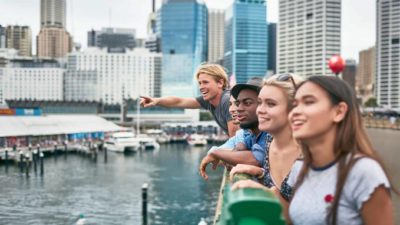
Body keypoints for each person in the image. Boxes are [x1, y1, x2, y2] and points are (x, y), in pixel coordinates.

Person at [233, 76, 396, 225]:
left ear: (339, 112)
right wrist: (260, 192)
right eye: (295, 104)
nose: (295, 111)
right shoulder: (300, 167)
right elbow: (291, 218)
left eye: (308, 102)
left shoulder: (363, 172)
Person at [229, 74, 303, 203]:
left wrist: (266, 193)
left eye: (271, 104)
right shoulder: (270, 140)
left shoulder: (308, 154)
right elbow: (281, 191)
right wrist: (261, 174)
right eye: (259, 103)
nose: (260, 110)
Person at [199, 77, 269, 180]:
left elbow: (256, 158)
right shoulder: (249, 133)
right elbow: (239, 146)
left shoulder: (270, 133)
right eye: (237, 103)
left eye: (248, 103)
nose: (238, 109)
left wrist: (216, 153)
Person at [140, 63, 238, 136]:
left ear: (220, 83)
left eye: (205, 82)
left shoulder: (227, 101)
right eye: (200, 83)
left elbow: (235, 137)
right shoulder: (208, 101)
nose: (201, 87)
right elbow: (179, 102)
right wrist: (156, 101)